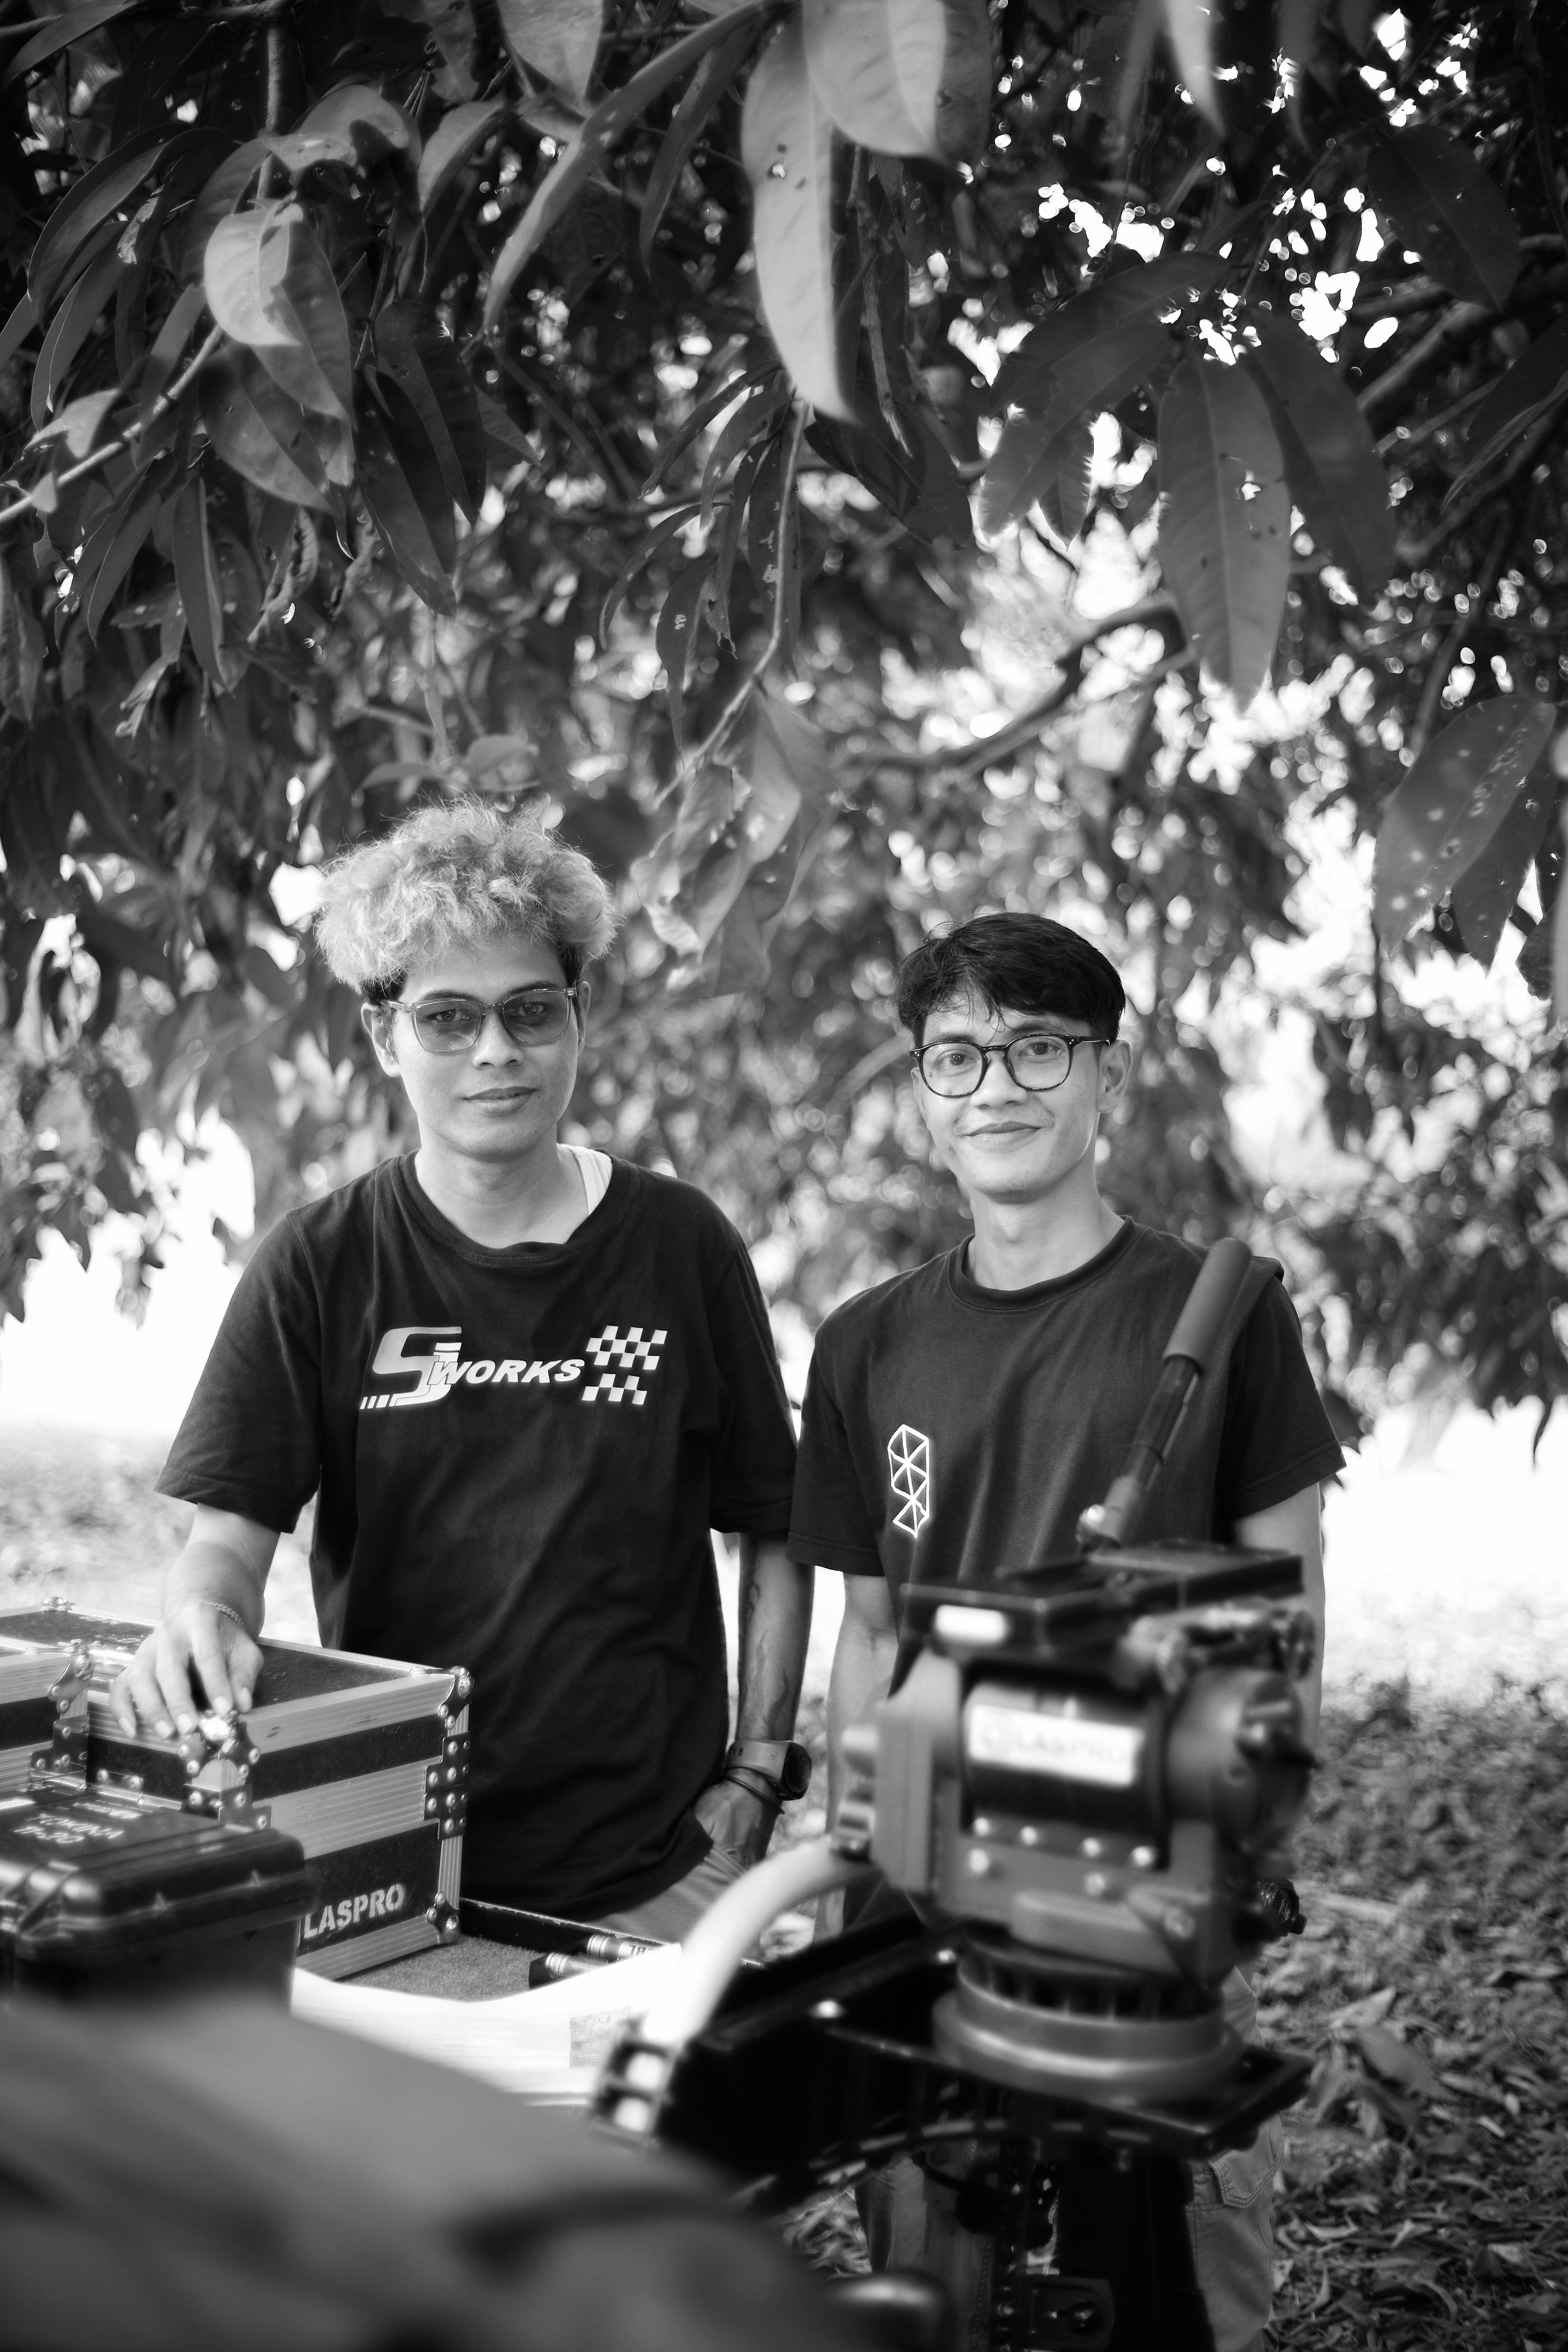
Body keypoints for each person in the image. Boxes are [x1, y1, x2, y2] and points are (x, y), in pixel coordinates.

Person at [787, 913, 1344, 2352]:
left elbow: (1286, 1599)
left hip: (1144, 1895)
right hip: (923, 1899)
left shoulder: (1217, 1315)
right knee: (936, 2281)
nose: (997, 1087)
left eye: (1039, 1047)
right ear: (922, 1091)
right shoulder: (864, 1342)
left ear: (1107, 1073)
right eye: (957, 1055)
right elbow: (867, 1631)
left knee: (1169, 2287)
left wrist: (1247, 1833)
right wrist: (856, 1830)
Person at [112, 800, 813, 1940]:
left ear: (578, 1023)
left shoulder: (680, 1247)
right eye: (449, 1018)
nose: (498, 1052)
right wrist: (199, 1618)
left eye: (532, 1012)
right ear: (386, 1037)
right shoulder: (321, 1264)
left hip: (658, 1873)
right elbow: (227, 1543)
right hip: (384, 1859)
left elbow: (773, 1524)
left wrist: (759, 1774)